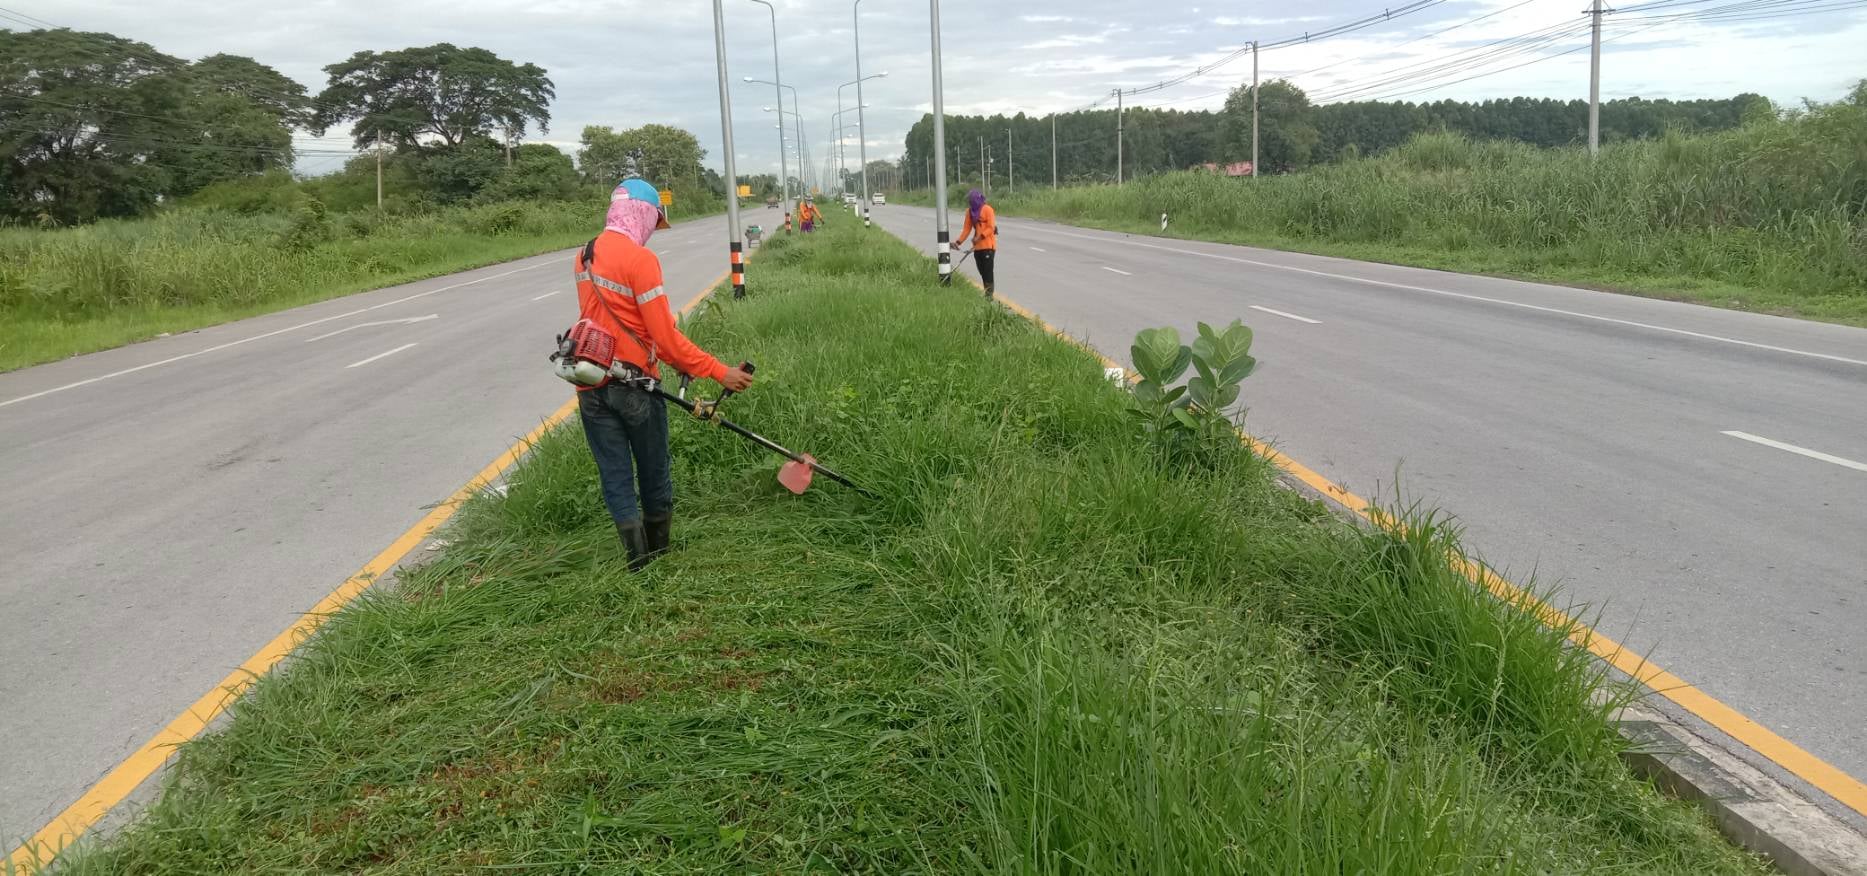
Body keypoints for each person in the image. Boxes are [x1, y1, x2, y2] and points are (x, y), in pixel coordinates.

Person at [573, 173, 755, 569]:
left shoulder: (584, 254)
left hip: (590, 381)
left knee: (615, 474)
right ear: (641, 213)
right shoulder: (640, 260)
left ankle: (636, 562)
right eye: (654, 221)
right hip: (635, 386)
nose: (653, 230)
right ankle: (658, 554)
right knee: (653, 468)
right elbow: (666, 339)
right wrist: (718, 371)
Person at [956, 188, 997, 296]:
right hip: (977, 247)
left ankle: (989, 296)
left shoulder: (987, 209)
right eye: (969, 201)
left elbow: (991, 227)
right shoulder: (969, 212)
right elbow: (966, 229)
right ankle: (987, 291)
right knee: (982, 271)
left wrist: (980, 237)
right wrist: (958, 242)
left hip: (988, 246)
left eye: (971, 200)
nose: (970, 203)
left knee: (988, 272)